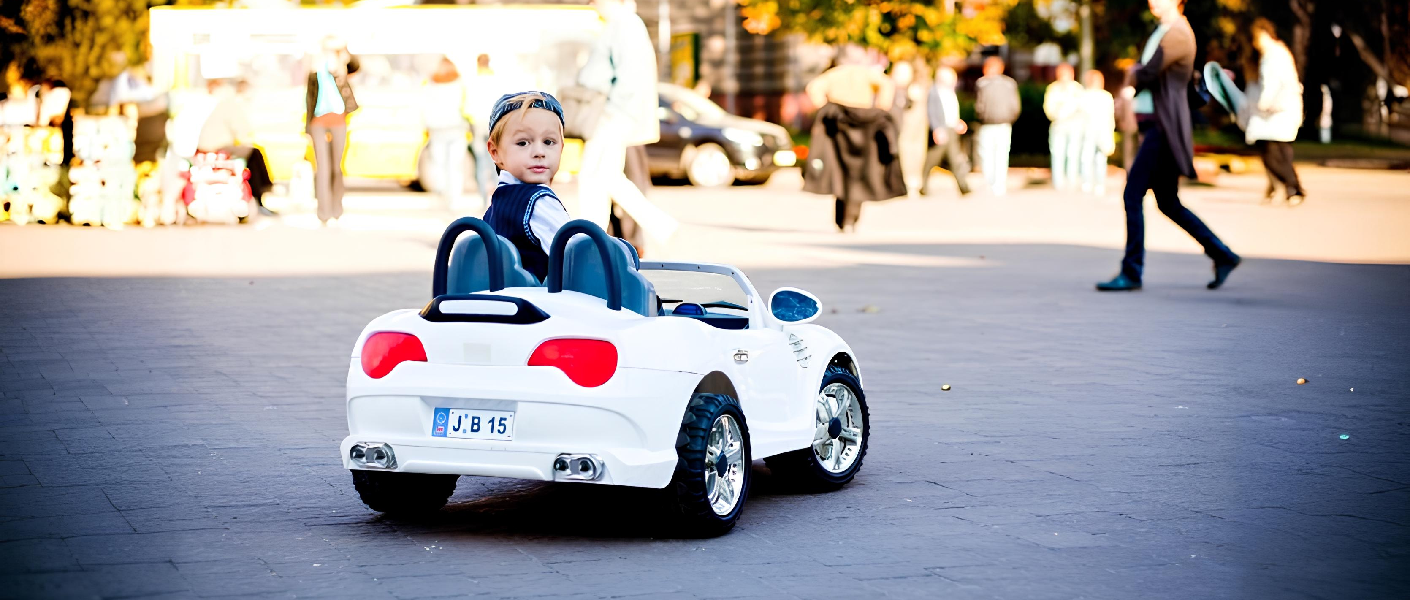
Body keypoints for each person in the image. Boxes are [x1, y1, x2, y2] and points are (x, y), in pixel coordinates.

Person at [1097, 0, 1240, 292]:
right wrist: (1136, 71)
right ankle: (1222, 254)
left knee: (1132, 193)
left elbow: (1147, 73)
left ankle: (1132, 271)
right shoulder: (1163, 30)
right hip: (1157, 125)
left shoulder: (1177, 33)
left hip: (1164, 127)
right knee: (1168, 202)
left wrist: (1133, 72)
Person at [576, 0, 677, 250]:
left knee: (593, 175)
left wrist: (612, 113)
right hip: (615, 112)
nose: (593, 5)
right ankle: (657, 225)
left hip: (613, 113)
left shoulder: (624, 25)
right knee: (605, 176)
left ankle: (593, 238)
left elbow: (629, 78)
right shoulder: (624, 24)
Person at [803, 44, 903, 231]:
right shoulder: (865, 74)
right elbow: (887, 84)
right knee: (859, 173)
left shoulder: (835, 74)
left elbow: (813, 88)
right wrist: (881, 109)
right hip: (864, 125)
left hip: (840, 125)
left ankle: (842, 219)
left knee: (841, 173)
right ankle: (851, 219)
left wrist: (825, 109)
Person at [481, 92, 570, 281]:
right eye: (523, 143)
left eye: (548, 142)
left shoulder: (498, 201)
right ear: (495, 152)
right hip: (540, 305)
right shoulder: (540, 202)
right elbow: (577, 253)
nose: (539, 152)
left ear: (561, 148)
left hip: (504, 301)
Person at [1245, 18, 1305, 205]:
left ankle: (1293, 188)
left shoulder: (1273, 54)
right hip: (1282, 110)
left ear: (1263, 34)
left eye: (1256, 39)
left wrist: (1263, 103)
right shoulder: (1280, 52)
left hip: (1279, 111)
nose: (1255, 44)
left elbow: (1272, 83)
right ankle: (1284, 188)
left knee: (1272, 154)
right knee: (1281, 152)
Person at [197, 79, 275, 215]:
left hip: (208, 147)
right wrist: (247, 142)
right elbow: (242, 130)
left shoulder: (221, 103)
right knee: (254, 153)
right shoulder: (232, 103)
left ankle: (261, 193)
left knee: (252, 152)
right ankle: (261, 193)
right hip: (216, 148)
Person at [305, 36, 359, 227]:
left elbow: (356, 66)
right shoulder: (314, 70)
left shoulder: (341, 68)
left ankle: (337, 210)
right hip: (318, 122)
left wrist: (344, 50)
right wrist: (307, 127)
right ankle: (323, 214)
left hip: (338, 121)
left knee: (336, 167)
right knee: (322, 168)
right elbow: (309, 98)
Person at [420, 57, 471, 210]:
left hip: (437, 128)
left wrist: (427, 125)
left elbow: (424, 107)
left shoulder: (429, 84)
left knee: (439, 162)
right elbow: (465, 105)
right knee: (455, 164)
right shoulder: (460, 84)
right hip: (457, 127)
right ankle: (454, 199)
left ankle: (442, 192)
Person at [919, 66, 972, 196]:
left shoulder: (950, 92)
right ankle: (923, 185)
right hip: (942, 129)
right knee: (932, 159)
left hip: (951, 129)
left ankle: (963, 186)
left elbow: (951, 111)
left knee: (955, 159)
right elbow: (932, 112)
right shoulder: (934, 92)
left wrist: (958, 122)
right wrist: (937, 128)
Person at [974, 56, 1020, 196]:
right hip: (1004, 124)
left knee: (988, 155)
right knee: (1001, 155)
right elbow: (1015, 106)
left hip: (988, 123)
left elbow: (979, 105)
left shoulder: (982, 84)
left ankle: (990, 183)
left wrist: (981, 116)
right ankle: (999, 185)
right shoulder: (1010, 83)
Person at [465, 54, 505, 207]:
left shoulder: (472, 82)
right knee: (496, 163)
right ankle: (496, 199)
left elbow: (466, 107)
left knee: (481, 163)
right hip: (494, 126)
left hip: (477, 126)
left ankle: (483, 200)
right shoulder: (497, 81)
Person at [1043, 63, 1085, 191]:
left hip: (1074, 125)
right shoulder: (1053, 88)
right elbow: (1048, 107)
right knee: (1057, 153)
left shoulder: (1077, 88)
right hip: (1058, 125)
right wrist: (1058, 115)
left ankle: (1072, 180)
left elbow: (1082, 107)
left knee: (1073, 153)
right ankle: (1058, 182)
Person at [890, 61, 928, 197]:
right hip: (898, 131)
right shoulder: (891, 89)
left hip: (911, 133)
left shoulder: (914, 90)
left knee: (911, 154)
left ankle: (910, 183)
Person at [1078, 70, 1116, 195]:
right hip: (1094, 130)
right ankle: (1095, 183)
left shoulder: (1086, 96)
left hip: (1096, 130)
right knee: (1094, 157)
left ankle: (1091, 183)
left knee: (1092, 157)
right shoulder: (1102, 96)